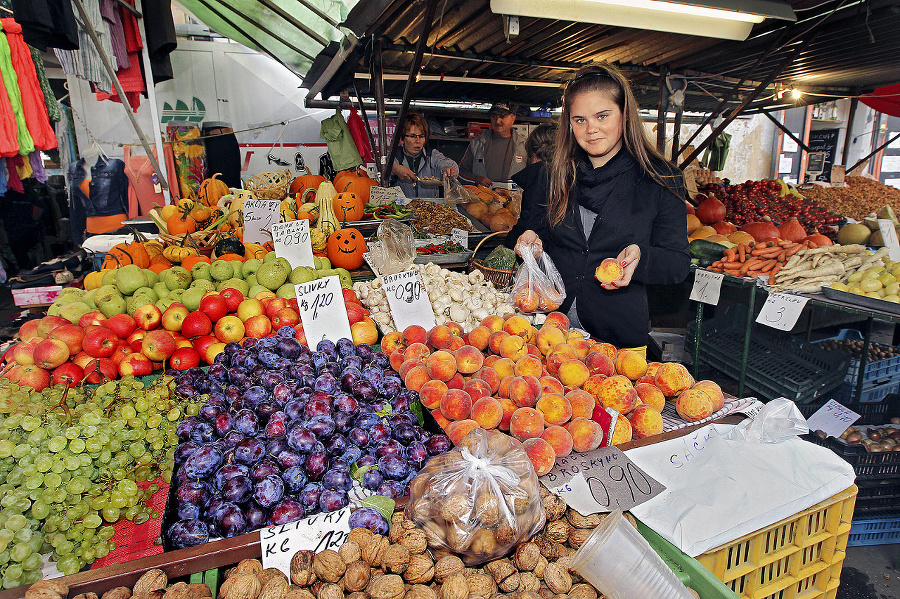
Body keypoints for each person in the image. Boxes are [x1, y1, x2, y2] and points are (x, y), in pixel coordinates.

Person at [513, 64, 690, 353]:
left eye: (602, 116)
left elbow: (678, 263)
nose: (591, 129)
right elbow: (521, 233)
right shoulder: (553, 174)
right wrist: (529, 236)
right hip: (550, 334)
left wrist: (641, 258)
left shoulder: (659, 179)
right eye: (579, 119)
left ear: (624, 115)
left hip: (617, 339)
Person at [507, 124, 557, 244]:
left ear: (531, 150)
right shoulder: (567, 174)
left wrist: (509, 241)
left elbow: (529, 222)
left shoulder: (539, 177)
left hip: (538, 251)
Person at [389, 112, 458, 199]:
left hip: (429, 208)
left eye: (421, 136)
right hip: (401, 209)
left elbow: (446, 163)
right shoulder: (394, 156)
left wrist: (449, 168)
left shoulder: (432, 155)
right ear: (402, 139)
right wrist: (393, 168)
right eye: (412, 136)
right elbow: (378, 172)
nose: (418, 141)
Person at [459, 102, 527, 188]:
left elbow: (535, 176)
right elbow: (461, 173)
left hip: (515, 199)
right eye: (494, 116)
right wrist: (476, 179)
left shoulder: (525, 145)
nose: (497, 121)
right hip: (483, 199)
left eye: (502, 117)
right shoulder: (476, 143)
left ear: (513, 118)